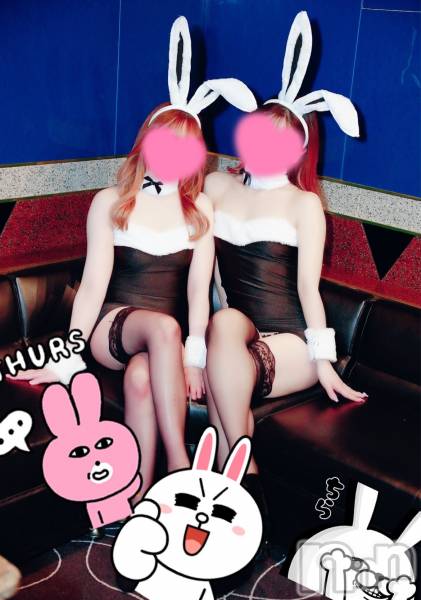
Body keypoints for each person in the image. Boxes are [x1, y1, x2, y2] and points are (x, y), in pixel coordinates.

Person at [12, 16, 256, 499]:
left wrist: (194, 359)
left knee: (143, 378)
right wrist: (67, 357)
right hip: (113, 325)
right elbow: (92, 287)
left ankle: (140, 495)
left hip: (164, 341)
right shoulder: (111, 202)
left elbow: (197, 293)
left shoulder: (200, 208)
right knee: (160, 330)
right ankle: (181, 468)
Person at [204, 11, 367, 551]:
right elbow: (203, 271)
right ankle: (245, 491)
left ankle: (233, 488)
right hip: (233, 332)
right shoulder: (216, 187)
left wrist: (325, 363)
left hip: (290, 341)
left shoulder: (304, 205)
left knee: (226, 370)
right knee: (225, 322)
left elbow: (307, 292)